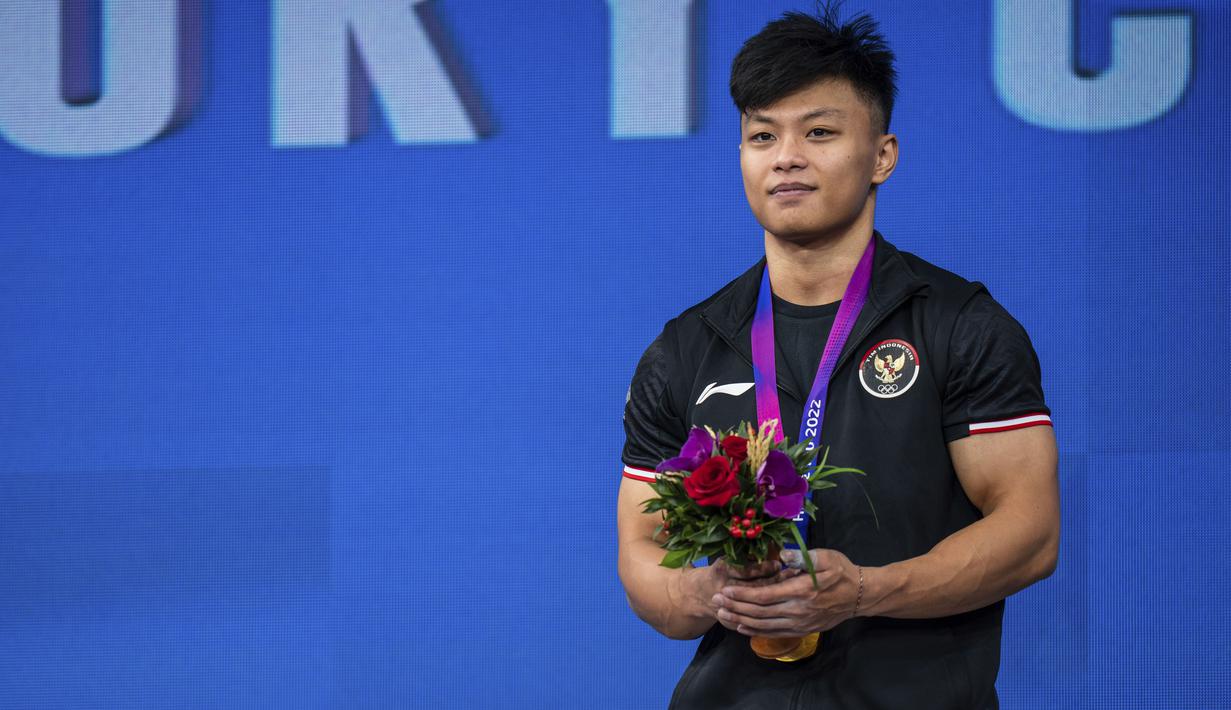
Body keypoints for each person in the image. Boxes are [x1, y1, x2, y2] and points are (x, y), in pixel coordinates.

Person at [616, 5, 1059, 709]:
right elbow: (642, 556)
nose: (785, 156)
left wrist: (861, 593)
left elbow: (1029, 533)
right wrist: (704, 591)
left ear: (882, 154)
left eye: (818, 132)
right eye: (761, 135)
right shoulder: (684, 349)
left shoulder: (960, 326)